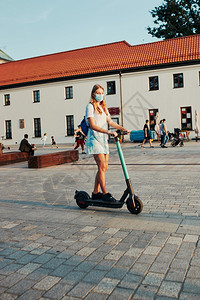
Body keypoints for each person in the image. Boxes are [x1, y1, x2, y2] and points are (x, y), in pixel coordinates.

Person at [85, 84, 129, 202]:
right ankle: (105, 193)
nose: (100, 95)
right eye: (98, 93)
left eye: (102, 93)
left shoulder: (103, 107)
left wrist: (122, 128)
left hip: (103, 139)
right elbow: (92, 125)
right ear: (93, 94)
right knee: (101, 166)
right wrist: (109, 132)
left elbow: (110, 121)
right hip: (94, 139)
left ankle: (95, 192)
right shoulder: (90, 107)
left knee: (103, 168)